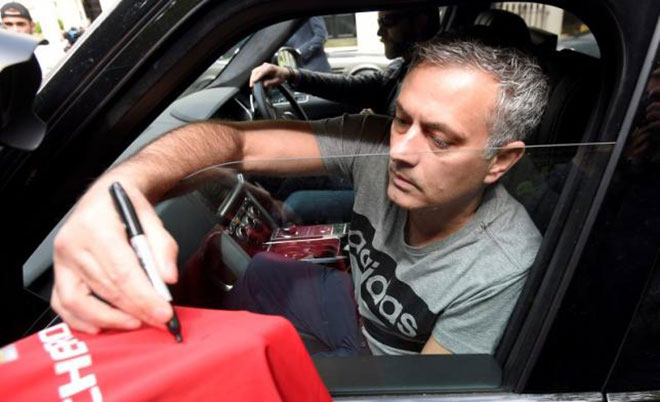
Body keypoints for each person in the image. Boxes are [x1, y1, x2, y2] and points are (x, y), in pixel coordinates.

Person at [51, 36, 549, 356]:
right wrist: (126, 185)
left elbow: (429, 388)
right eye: (402, 118)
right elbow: (238, 143)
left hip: (385, 366)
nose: (400, 150)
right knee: (262, 273)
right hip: (353, 304)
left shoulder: (503, 263)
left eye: (439, 139)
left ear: (501, 160)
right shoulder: (375, 143)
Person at [250, 8, 441, 115]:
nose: (379, 33)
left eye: (387, 22)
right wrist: (291, 74)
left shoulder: (434, 79)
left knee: (294, 187)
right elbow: (356, 86)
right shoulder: (403, 68)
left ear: (421, 20)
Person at [1, 1, 64, 77]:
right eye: (8, 24)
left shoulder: (51, 54)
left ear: (32, 26)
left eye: (20, 24)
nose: (15, 30)